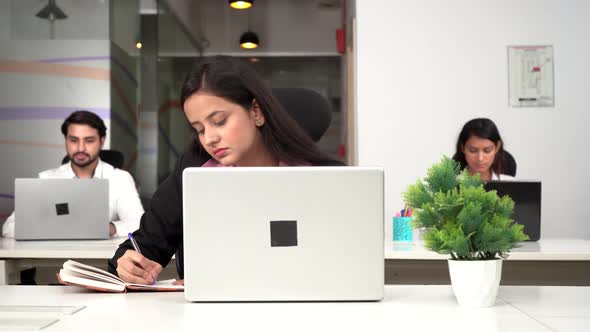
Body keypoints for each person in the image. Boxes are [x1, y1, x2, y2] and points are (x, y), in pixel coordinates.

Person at [109, 56, 344, 285]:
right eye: (199, 129)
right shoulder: (194, 169)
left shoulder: (325, 177)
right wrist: (127, 262)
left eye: (219, 121)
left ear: (256, 112)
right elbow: (143, 245)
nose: (209, 138)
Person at [2, 110, 144, 238]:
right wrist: (52, 228)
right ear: (66, 140)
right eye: (74, 140)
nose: (80, 148)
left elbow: (139, 225)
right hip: (53, 260)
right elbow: (9, 228)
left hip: (102, 260)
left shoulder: (120, 179)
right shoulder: (46, 179)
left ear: (101, 141)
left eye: (89, 141)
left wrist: (111, 228)